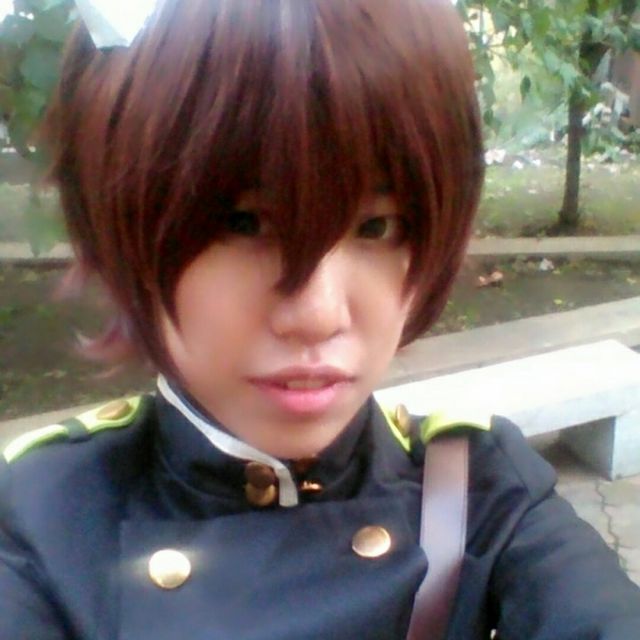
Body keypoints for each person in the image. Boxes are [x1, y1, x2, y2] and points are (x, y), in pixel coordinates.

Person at [1, 1, 639, 638]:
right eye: (244, 223)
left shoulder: (481, 490)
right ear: (118, 225)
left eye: (376, 227)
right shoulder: (42, 521)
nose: (318, 315)